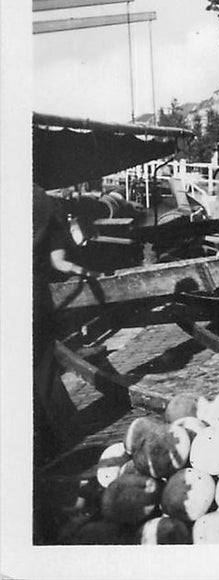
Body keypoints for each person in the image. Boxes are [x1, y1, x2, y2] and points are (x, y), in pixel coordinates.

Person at [33, 184, 94, 462]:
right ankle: (68, 440)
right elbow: (58, 261)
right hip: (31, 296)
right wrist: (83, 271)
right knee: (42, 370)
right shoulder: (45, 204)